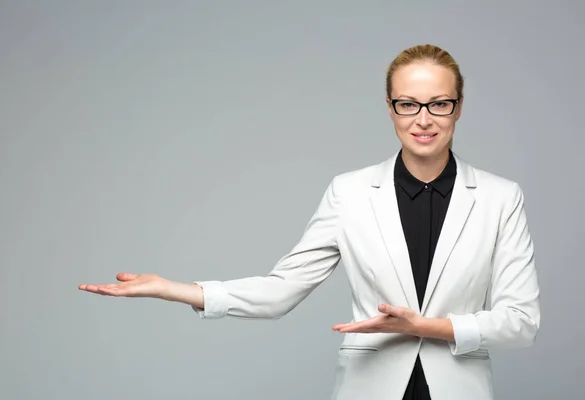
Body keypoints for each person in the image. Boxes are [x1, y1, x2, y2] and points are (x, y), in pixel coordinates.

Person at [79, 44, 540, 400]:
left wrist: (426, 327)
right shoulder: (350, 192)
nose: (423, 119)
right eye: (408, 104)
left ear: (458, 107)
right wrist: (173, 289)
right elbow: (282, 291)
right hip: (368, 388)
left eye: (439, 104)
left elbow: (520, 322)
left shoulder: (501, 197)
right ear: (390, 107)